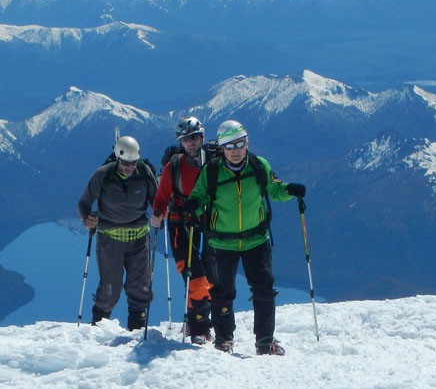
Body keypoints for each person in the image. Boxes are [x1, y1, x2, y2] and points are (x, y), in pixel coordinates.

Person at [186, 120, 305, 355]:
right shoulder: (210, 172)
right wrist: (194, 208)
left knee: (264, 289)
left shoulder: (259, 166)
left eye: (240, 143)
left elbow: (274, 189)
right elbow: (198, 196)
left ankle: (264, 341)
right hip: (221, 241)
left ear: (247, 142)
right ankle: (224, 339)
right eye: (230, 146)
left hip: (256, 239)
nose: (236, 150)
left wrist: (290, 190)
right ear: (221, 148)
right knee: (222, 292)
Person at [76, 135, 158, 330]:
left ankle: (137, 329)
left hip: (139, 238)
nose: (129, 167)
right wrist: (86, 217)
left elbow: (156, 200)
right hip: (110, 239)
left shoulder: (144, 172)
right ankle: (98, 326)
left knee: (139, 287)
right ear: (117, 158)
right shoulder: (103, 174)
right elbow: (84, 202)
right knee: (110, 288)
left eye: (133, 163)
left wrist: (160, 212)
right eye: (125, 163)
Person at [150, 116, 214, 344]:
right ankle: (198, 329)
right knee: (195, 278)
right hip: (181, 227)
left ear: (202, 137)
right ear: (181, 142)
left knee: (211, 278)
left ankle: (197, 322)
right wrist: (157, 214)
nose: (191, 143)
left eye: (195, 137)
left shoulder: (213, 161)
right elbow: (161, 197)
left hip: (208, 225)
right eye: (186, 139)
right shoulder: (174, 166)